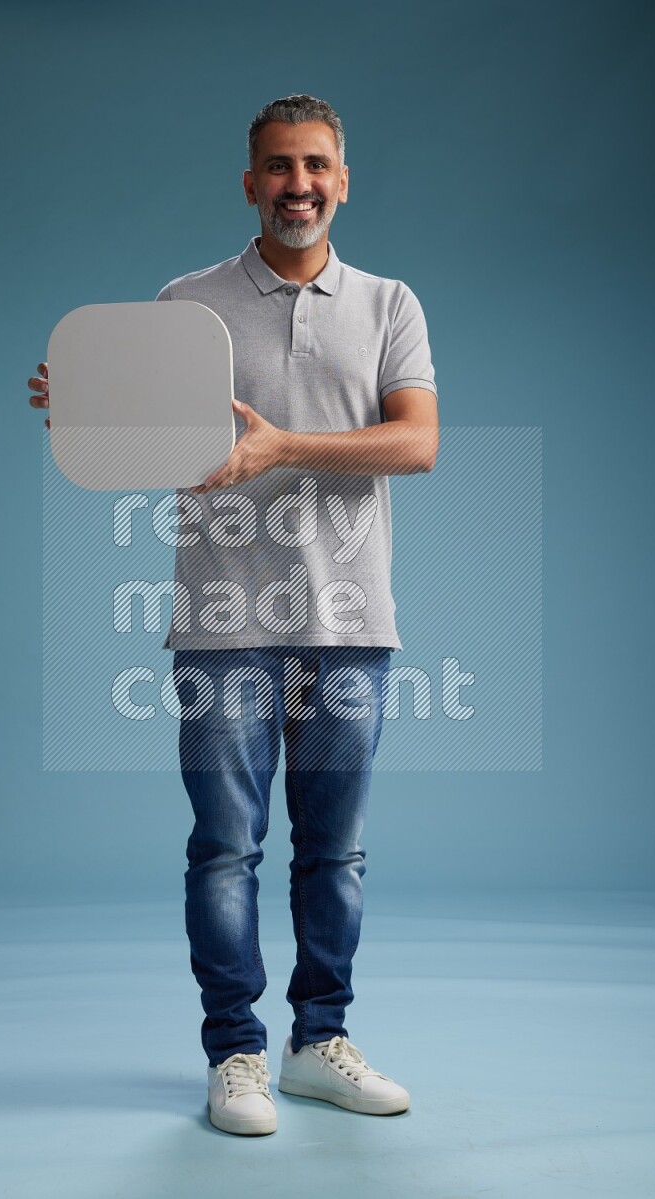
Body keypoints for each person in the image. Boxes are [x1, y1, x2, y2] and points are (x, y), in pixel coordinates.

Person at [29, 94, 439, 1137]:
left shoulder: (389, 303)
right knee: (225, 848)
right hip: (221, 620)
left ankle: (316, 1042)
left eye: (314, 165)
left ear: (340, 179)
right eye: (275, 166)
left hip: (350, 618)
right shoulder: (186, 302)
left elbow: (415, 443)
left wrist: (280, 445)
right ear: (248, 182)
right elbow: (148, 434)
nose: (296, 183)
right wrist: (85, 401)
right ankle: (237, 1054)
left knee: (333, 851)